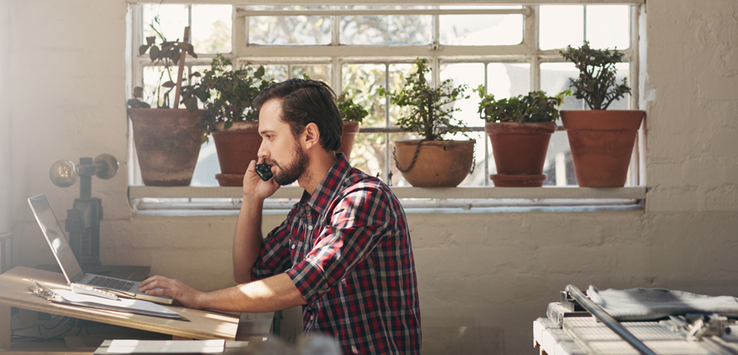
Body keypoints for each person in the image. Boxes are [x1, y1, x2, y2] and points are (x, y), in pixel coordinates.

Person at [139, 79, 422, 354]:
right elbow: (248, 275)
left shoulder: (363, 199)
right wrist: (252, 200)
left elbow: (304, 283)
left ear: (309, 135)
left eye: (270, 137)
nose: (262, 152)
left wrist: (200, 298)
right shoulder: (307, 210)